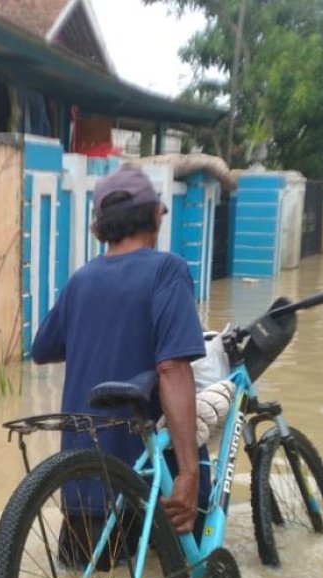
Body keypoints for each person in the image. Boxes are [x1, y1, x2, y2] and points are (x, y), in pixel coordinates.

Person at [31, 165, 208, 540]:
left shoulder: (79, 281)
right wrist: (188, 475)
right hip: (145, 485)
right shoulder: (167, 270)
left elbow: (43, 349)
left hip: (80, 484)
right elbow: (173, 368)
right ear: (156, 216)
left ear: (97, 231)